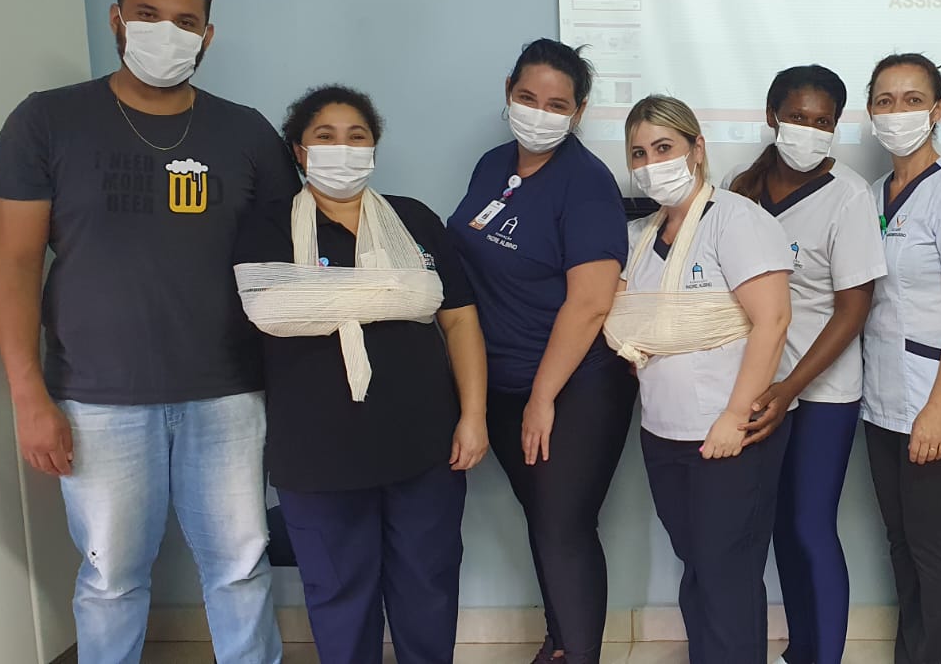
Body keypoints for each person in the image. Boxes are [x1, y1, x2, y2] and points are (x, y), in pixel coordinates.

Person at [0, 0, 294, 664]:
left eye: (186, 22)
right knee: (110, 579)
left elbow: (285, 264)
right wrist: (27, 395)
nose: (167, 33)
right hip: (98, 398)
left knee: (242, 568)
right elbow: (11, 262)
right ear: (117, 19)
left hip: (229, 393)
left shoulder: (246, 134)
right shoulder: (47, 121)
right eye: (149, 15)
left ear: (207, 36)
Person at [234, 86, 487, 664]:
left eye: (357, 136)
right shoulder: (267, 226)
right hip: (317, 452)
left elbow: (460, 319)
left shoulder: (414, 219)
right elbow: (264, 314)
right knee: (338, 593)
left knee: (428, 584)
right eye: (325, 137)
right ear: (299, 151)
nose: (342, 148)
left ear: (374, 148)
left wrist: (473, 416)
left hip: (423, 443)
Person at [445, 39, 635, 664]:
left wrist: (543, 397)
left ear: (578, 111)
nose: (539, 113)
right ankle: (559, 644)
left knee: (563, 526)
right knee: (542, 518)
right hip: (500, 380)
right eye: (527, 97)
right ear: (508, 92)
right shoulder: (492, 164)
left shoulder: (586, 184)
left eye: (557, 104)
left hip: (573, 385)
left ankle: (577, 653)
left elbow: (591, 302)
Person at [608, 95, 793, 664]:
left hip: (727, 428)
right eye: (639, 153)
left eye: (664, 147)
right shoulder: (640, 237)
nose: (651, 163)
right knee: (698, 567)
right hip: (663, 431)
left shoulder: (737, 221)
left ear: (697, 149)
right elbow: (626, 321)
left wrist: (734, 418)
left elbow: (773, 320)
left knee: (726, 572)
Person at [725, 65, 885, 664]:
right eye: (797, 117)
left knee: (811, 527)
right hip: (757, 384)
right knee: (774, 528)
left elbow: (854, 307)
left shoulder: (850, 196)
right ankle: (800, 650)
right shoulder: (741, 189)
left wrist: (790, 386)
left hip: (820, 392)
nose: (808, 130)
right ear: (773, 116)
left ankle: (825, 655)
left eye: (823, 121)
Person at [859, 53, 941, 664]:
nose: (898, 112)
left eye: (912, 100)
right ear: (870, 111)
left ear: (937, 110)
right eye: (885, 100)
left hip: (938, 401)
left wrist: (938, 410)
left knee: (932, 543)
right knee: (900, 541)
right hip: (882, 397)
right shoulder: (873, 195)